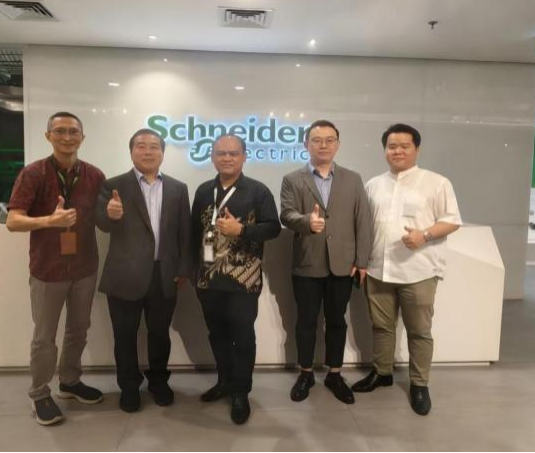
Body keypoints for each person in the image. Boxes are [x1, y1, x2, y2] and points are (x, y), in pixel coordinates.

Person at [352, 123, 462, 416]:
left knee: (419, 331)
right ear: (384, 150)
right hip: (378, 269)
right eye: (392, 146)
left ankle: (419, 384)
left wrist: (424, 235)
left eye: (404, 146)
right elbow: (364, 226)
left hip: (419, 271)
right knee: (381, 326)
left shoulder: (437, 182)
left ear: (417, 149)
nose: (397, 151)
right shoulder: (373, 185)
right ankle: (382, 372)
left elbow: (452, 220)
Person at [6, 112, 105, 426]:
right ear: (48, 136)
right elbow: (13, 221)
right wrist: (49, 220)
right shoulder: (33, 173)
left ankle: (70, 381)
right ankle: (39, 393)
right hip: (47, 270)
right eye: (60, 131)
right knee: (44, 337)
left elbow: (104, 218)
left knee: (78, 330)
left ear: (82, 138)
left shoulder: (95, 175)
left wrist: (114, 213)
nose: (67, 137)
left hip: (85, 268)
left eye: (73, 131)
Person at [95, 128, 191, 413]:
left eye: (153, 146)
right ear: (131, 151)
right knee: (124, 335)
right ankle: (128, 387)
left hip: (165, 274)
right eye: (141, 146)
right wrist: (109, 214)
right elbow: (101, 222)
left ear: (162, 152)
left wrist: (183, 268)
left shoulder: (178, 188)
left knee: (160, 334)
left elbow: (184, 232)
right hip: (124, 275)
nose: (147, 151)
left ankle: (159, 382)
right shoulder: (113, 185)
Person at [280, 119, 372, 405]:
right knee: (305, 322)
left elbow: (363, 221)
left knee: (336, 321)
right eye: (317, 140)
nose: (323, 145)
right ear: (306, 144)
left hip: (343, 264)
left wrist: (362, 260)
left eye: (329, 140)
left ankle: (334, 373)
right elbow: (286, 214)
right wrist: (306, 221)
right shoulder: (293, 179)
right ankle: (306, 373)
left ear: (338, 144)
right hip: (307, 262)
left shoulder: (353, 179)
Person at [191, 134, 281, 425]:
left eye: (233, 153)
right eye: (221, 153)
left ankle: (241, 392)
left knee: (242, 337)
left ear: (244, 156)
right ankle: (224, 381)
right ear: (212, 157)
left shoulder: (258, 191)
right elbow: (194, 232)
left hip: (244, 281)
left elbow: (273, 228)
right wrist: (192, 270)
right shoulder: (204, 191)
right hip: (208, 280)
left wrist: (241, 230)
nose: (227, 158)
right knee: (216, 334)